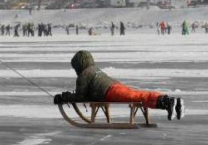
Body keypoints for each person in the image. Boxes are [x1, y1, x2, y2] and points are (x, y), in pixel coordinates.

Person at [55, 51, 184, 120]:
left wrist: (64, 97)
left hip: (110, 91)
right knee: (138, 95)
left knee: (137, 98)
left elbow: (81, 97)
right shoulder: (94, 69)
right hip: (115, 85)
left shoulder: (83, 75)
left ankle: (166, 102)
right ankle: (170, 102)